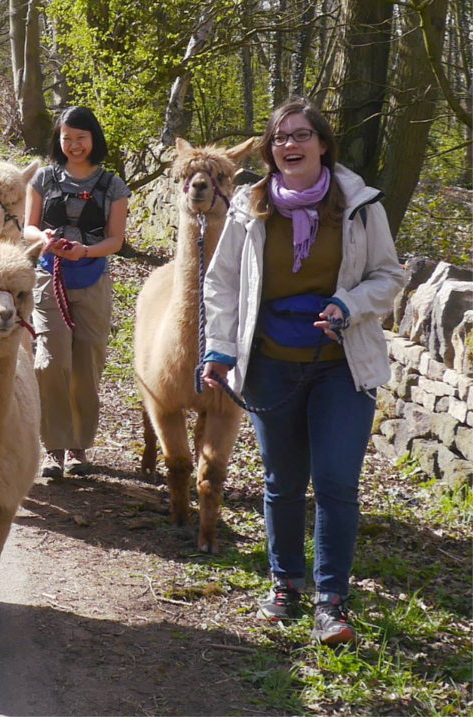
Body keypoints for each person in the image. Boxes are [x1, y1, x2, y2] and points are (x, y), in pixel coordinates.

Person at [201, 97, 405, 646]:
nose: (289, 145)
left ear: (322, 144)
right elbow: (221, 284)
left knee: (336, 483)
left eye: (300, 135)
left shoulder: (360, 206)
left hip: (341, 366)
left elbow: (389, 275)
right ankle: (285, 585)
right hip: (270, 363)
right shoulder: (251, 206)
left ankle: (331, 601)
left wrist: (347, 304)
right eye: (279, 138)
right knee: (282, 482)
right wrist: (219, 349)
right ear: (271, 151)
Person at [23, 106, 130, 478]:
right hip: (49, 278)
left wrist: (86, 250)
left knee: (87, 364)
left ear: (93, 139)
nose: (73, 145)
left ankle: (77, 447)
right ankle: (53, 446)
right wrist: (45, 239)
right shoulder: (43, 178)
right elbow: (28, 228)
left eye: (80, 138)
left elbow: (116, 239)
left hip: (92, 280)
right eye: (66, 138)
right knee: (51, 362)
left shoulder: (112, 185)